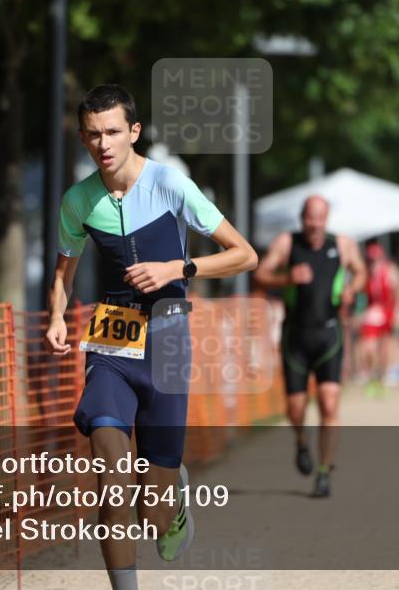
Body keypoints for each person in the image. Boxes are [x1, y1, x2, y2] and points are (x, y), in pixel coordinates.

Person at [44, 84, 257, 590]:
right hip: (112, 343)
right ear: (82, 138)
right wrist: (56, 316)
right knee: (111, 482)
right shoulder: (77, 201)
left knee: (153, 517)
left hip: (167, 343)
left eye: (114, 132)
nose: (104, 144)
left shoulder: (170, 184)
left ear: (134, 131)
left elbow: (243, 254)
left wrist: (178, 267)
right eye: (94, 135)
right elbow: (63, 274)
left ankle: (171, 498)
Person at [253, 195, 366, 497]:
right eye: (309, 218)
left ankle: (325, 471)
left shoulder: (341, 244)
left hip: (329, 334)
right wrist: (288, 277)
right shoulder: (287, 243)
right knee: (295, 408)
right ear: (302, 218)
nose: (314, 225)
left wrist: (352, 290)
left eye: (319, 219)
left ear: (326, 218)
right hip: (296, 337)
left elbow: (360, 271)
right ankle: (302, 442)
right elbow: (261, 273)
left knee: (330, 403)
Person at [359, 242, 399, 399]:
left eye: (375, 259)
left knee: (384, 347)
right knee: (368, 348)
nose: (373, 262)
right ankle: (371, 374)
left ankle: (383, 375)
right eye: (370, 259)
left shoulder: (389, 271)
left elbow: (397, 291)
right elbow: (361, 295)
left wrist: (397, 311)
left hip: (386, 311)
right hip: (371, 313)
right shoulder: (365, 274)